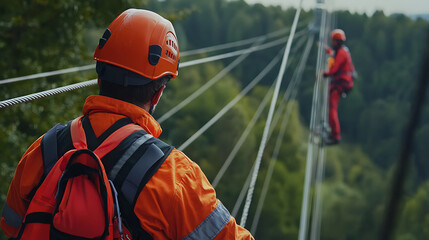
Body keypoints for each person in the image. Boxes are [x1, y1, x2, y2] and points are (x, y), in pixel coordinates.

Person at [1, 9, 254, 239]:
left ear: (100, 78)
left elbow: (10, 226)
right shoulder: (174, 176)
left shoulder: (43, 150)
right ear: (157, 95)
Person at [323, 29, 356, 145]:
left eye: (333, 41)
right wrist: (326, 50)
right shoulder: (341, 51)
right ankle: (333, 133)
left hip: (340, 84)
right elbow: (333, 54)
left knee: (332, 109)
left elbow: (334, 68)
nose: (332, 43)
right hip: (341, 83)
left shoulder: (342, 53)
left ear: (337, 41)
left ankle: (335, 135)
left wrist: (324, 73)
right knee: (331, 107)